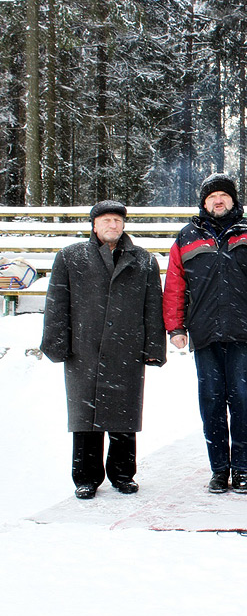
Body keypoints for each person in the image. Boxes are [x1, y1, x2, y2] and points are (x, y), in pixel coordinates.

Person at [163, 173, 247, 495]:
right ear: (204, 203)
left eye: (224, 196)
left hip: (245, 334)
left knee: (243, 402)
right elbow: (175, 285)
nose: (219, 201)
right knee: (211, 403)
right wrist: (175, 327)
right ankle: (219, 469)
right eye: (212, 197)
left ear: (233, 201)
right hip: (205, 335)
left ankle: (242, 469)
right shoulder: (186, 237)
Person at [41, 200, 166, 499]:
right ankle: (86, 477)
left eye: (117, 220)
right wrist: (56, 342)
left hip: (127, 349)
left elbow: (153, 307)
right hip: (84, 349)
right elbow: (57, 302)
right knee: (86, 417)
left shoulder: (144, 261)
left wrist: (153, 347)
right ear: (94, 225)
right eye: (106, 220)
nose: (113, 225)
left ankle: (123, 475)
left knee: (123, 416)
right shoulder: (70, 257)